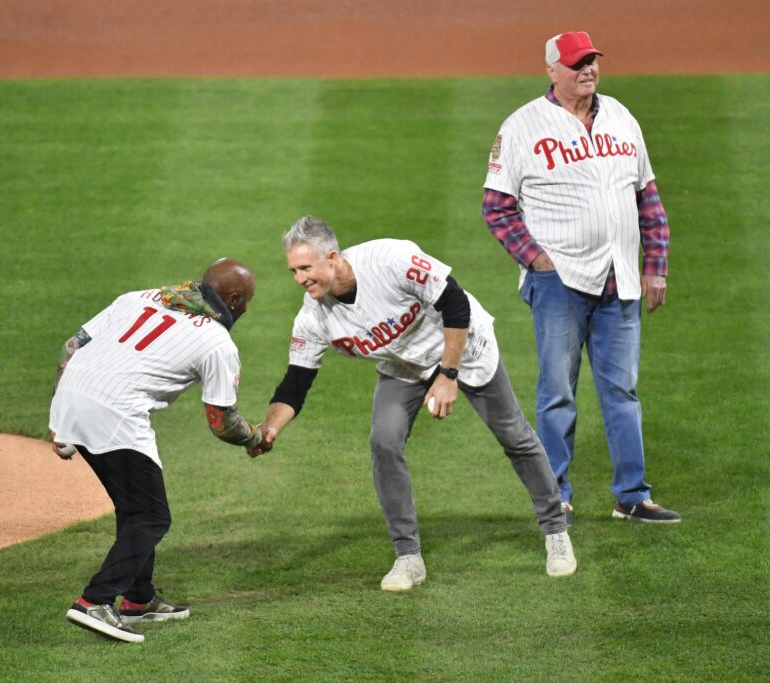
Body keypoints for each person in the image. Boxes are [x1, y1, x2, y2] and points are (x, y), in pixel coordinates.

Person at [248, 215, 575, 592]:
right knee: (384, 441)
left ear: (333, 257)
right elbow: (296, 383)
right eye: (293, 270)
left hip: (462, 346)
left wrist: (448, 376)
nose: (299, 279)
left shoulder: (390, 260)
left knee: (514, 435)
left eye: (305, 268)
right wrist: (270, 428)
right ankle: (408, 557)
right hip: (405, 365)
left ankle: (555, 530)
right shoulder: (313, 317)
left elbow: (453, 301)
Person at [481, 32, 681, 524]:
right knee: (558, 393)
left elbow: (647, 198)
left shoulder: (621, 116)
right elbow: (497, 208)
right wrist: (538, 261)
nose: (587, 70)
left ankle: (632, 496)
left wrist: (654, 265)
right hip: (559, 284)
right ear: (552, 70)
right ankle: (556, 497)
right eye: (576, 64)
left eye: (592, 61)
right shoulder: (522, 126)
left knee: (623, 392)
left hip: (621, 280)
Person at [49, 258, 263, 643]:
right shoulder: (217, 342)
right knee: (151, 516)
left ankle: (138, 599)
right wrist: (255, 437)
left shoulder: (140, 297)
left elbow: (71, 346)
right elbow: (221, 421)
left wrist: (62, 412)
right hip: (115, 412)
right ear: (232, 299)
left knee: (134, 507)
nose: (246, 309)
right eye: (246, 301)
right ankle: (94, 601)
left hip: (72, 396)